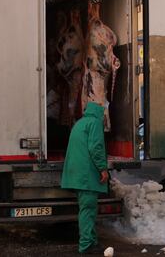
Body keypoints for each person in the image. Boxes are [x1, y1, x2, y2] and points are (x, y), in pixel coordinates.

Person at [61, 102, 109, 254]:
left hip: (77, 174)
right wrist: (103, 169)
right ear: (100, 113)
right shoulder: (94, 123)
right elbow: (96, 147)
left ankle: (92, 241)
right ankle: (86, 245)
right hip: (86, 174)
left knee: (88, 209)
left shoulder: (80, 123)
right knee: (88, 210)